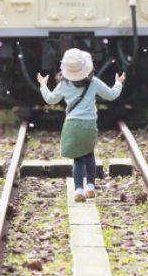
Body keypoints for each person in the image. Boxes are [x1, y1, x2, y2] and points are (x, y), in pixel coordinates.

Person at [38, 49, 124, 202]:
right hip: (89, 124)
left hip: (72, 124)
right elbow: (112, 95)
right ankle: (90, 188)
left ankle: (79, 190)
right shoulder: (94, 83)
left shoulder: (64, 84)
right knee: (89, 154)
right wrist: (118, 83)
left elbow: (51, 100)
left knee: (78, 158)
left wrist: (43, 85)